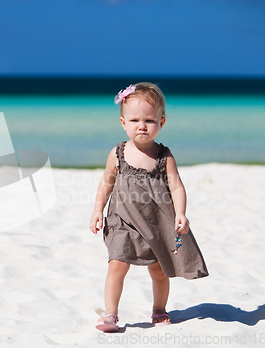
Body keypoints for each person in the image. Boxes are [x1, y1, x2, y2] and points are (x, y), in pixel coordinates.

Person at [89, 82, 208, 332]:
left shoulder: (164, 156)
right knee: (117, 264)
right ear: (123, 123)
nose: (141, 125)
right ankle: (110, 314)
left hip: (154, 222)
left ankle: (159, 308)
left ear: (161, 123)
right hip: (122, 220)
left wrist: (181, 213)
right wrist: (98, 210)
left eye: (149, 120)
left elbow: (176, 187)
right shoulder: (118, 153)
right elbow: (106, 183)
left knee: (159, 270)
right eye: (134, 120)